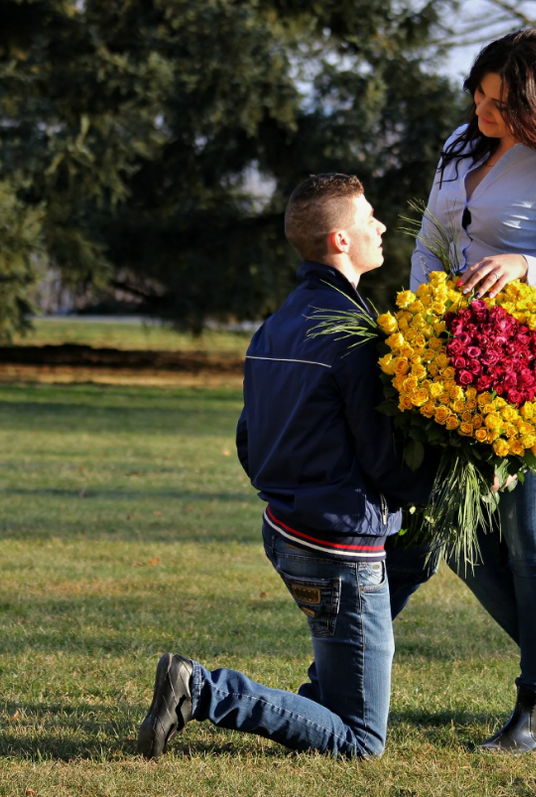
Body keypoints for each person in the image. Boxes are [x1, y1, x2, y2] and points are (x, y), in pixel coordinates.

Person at [137, 173, 434, 760]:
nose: (380, 226)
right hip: (339, 548)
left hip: (286, 529)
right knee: (360, 742)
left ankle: (314, 699)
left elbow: (249, 439)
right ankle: (200, 690)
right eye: (368, 217)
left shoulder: (276, 323)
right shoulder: (355, 336)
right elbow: (382, 463)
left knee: (414, 560)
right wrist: (447, 482)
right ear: (339, 240)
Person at [407, 29, 536, 753]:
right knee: (459, 532)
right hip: (455, 366)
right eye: (477, 91)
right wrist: (418, 329)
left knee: (532, 537)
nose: (482, 108)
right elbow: (429, 240)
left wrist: (527, 266)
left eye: (500, 100)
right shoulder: (459, 146)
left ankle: (535, 712)